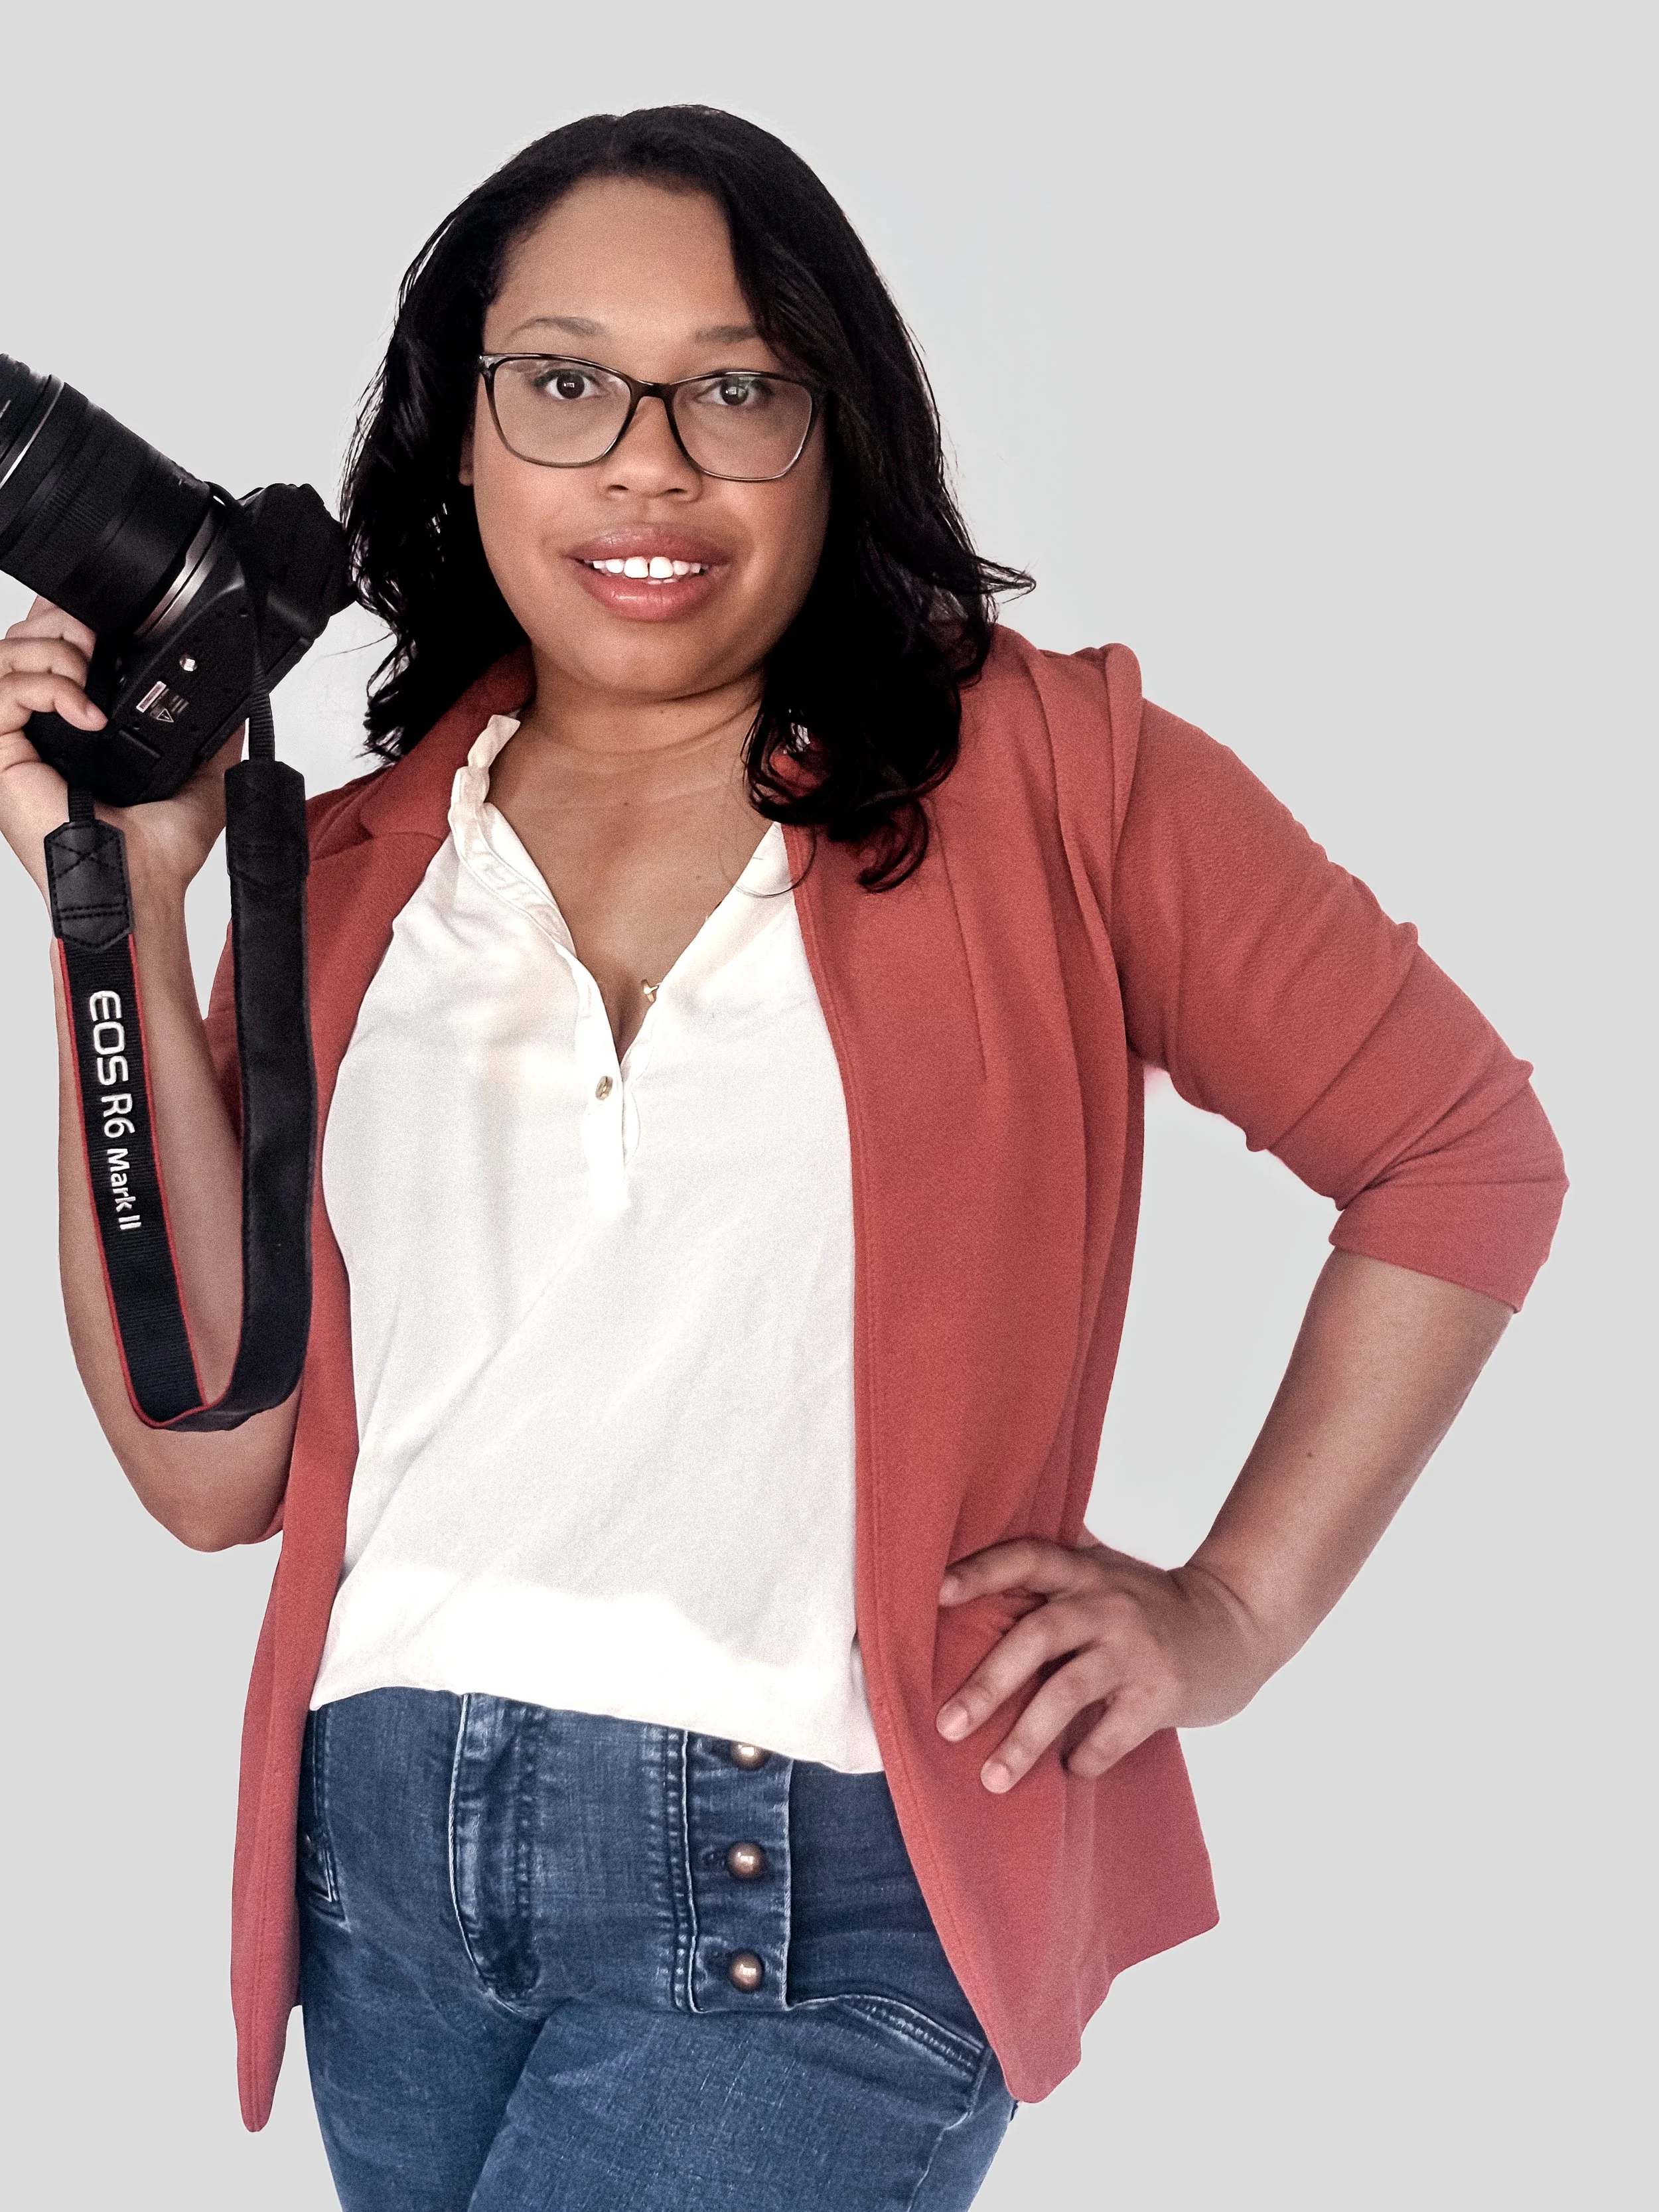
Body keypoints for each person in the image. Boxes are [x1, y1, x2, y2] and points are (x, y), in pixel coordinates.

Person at [0, 106, 1565, 2212]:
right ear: (455, 439)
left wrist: (1231, 1610)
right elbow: (212, 1469)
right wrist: (128, 904)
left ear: (837, 430)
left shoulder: (1053, 779)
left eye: (733, 389)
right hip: (382, 1876)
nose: (647, 462)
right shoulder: (359, 865)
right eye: (561, 385)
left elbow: (1457, 1151)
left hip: (805, 1887)